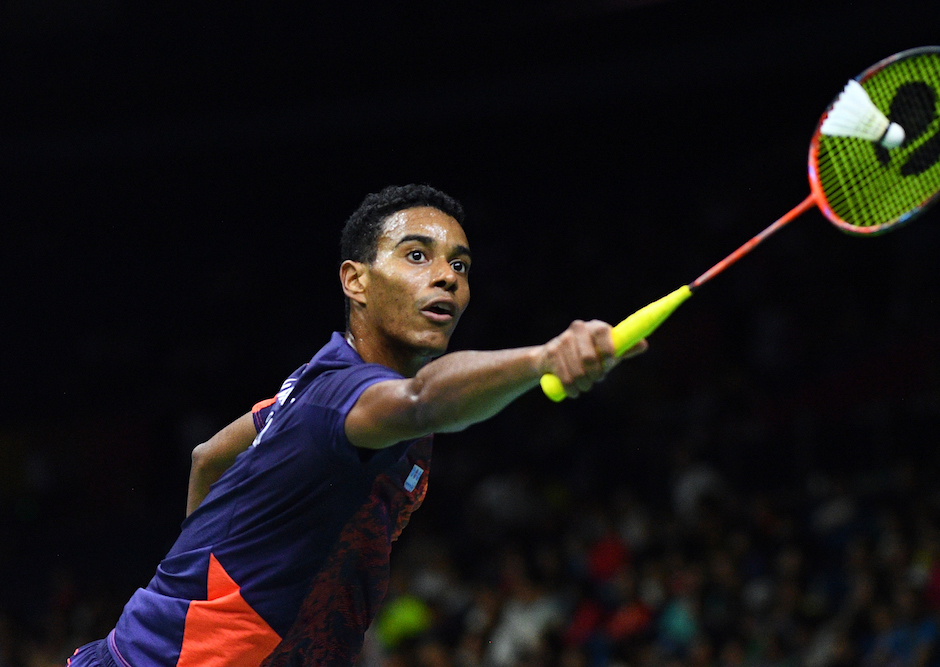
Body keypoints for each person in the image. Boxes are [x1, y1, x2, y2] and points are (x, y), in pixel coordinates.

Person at [66, 184, 646, 667]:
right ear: (356, 280)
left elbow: (208, 456)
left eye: (460, 265)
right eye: (416, 255)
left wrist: (200, 570)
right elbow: (422, 399)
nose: (446, 276)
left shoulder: (309, 385)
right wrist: (544, 359)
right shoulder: (339, 398)